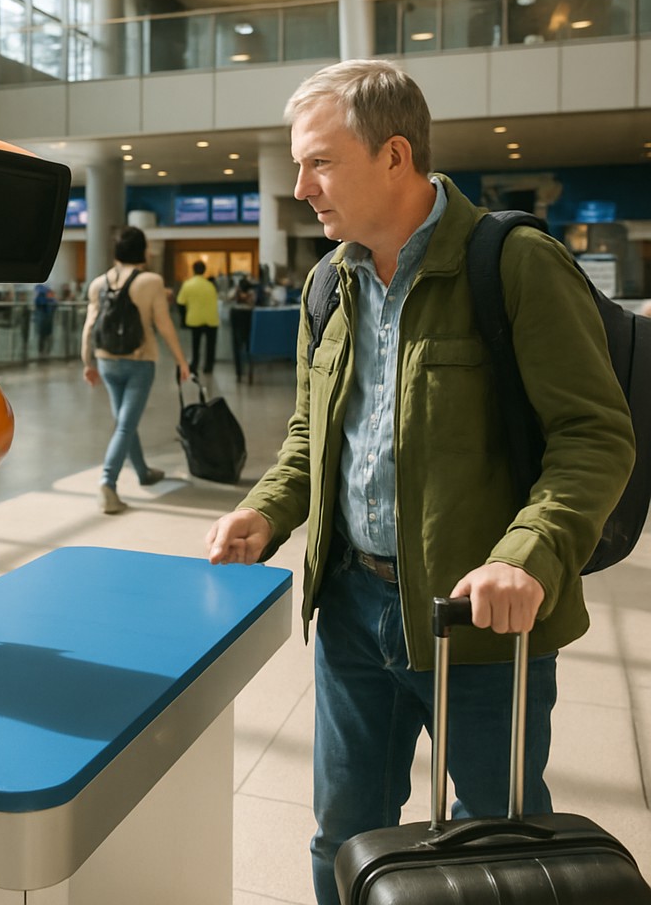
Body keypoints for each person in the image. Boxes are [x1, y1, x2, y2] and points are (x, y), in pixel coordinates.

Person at [204, 60, 635, 905]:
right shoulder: (329, 284)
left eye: (320, 163)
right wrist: (266, 510)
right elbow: (312, 434)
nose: (301, 188)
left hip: (477, 624)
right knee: (342, 834)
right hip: (351, 612)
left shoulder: (514, 265)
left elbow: (594, 437)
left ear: (395, 155)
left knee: (495, 843)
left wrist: (526, 555)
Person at [81, 226, 191, 514]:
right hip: (140, 361)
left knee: (124, 421)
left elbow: (89, 326)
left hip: (106, 361)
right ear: (142, 250)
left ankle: (143, 472)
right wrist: (181, 360)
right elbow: (164, 325)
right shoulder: (151, 281)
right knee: (125, 425)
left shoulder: (98, 283)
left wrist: (87, 362)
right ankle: (107, 484)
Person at [175, 260, 220, 376]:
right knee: (211, 345)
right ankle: (208, 366)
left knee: (196, 343)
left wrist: (183, 318)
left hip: (195, 318)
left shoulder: (188, 284)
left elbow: (180, 302)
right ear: (204, 270)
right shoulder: (210, 285)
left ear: (193, 270)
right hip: (211, 319)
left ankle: (195, 364)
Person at [33, 282, 57, 356]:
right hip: (42, 321)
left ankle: (47, 351)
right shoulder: (41, 299)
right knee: (42, 337)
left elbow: (55, 304)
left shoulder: (50, 301)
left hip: (47, 321)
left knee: (47, 337)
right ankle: (41, 351)